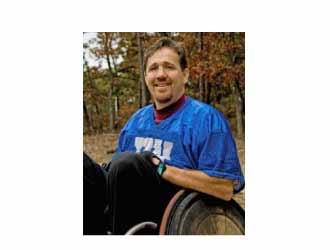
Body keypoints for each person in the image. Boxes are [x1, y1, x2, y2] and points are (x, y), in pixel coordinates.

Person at [83, 37, 245, 235]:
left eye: (169, 67)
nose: (160, 74)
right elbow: (115, 173)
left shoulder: (207, 120)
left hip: (170, 211)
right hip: (121, 204)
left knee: (129, 163)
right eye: (153, 68)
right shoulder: (136, 120)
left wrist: (161, 169)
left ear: (185, 75)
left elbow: (224, 188)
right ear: (145, 77)